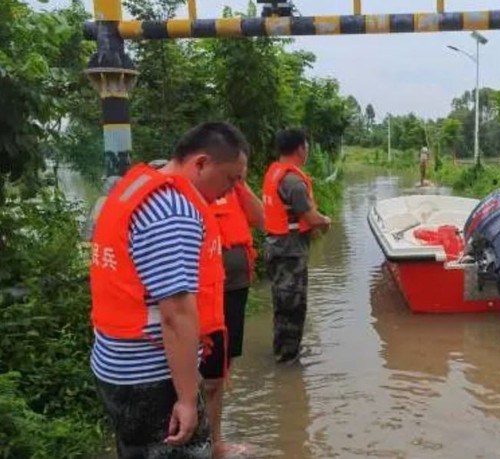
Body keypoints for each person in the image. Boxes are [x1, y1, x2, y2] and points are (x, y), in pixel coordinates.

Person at [89, 121, 249, 458]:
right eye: (231, 178)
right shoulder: (173, 212)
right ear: (202, 163)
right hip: (150, 375)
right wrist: (188, 399)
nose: (231, 190)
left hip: (115, 365)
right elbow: (176, 314)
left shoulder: (136, 186)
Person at [202, 169, 264, 457]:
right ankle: (201, 441)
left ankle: (215, 442)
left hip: (235, 290)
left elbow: (260, 218)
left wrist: (238, 183)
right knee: (208, 375)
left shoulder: (235, 191)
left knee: (223, 368)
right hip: (205, 294)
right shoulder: (192, 195)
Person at [263, 128, 331, 364]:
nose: (308, 152)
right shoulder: (294, 182)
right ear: (300, 149)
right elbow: (311, 218)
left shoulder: (274, 174)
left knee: (281, 304)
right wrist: (325, 221)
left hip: (275, 247)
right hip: (290, 253)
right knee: (293, 306)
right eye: (307, 147)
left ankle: (282, 350)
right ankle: (288, 361)